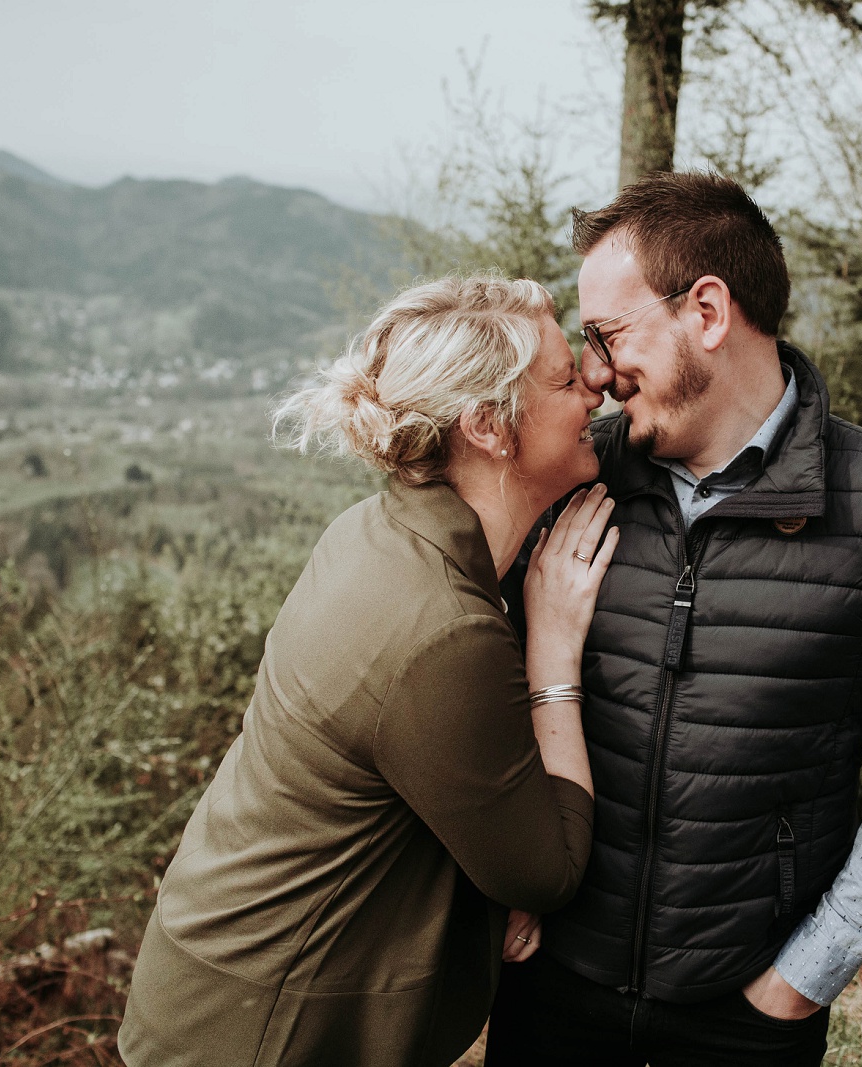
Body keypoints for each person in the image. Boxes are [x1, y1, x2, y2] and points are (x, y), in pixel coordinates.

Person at [485, 173, 862, 1066]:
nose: (594, 371)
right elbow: (470, 678)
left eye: (607, 334)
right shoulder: (569, 480)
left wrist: (797, 982)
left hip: (746, 1022)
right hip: (548, 985)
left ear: (706, 311)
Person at [118, 275, 617, 1067]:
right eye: (563, 376)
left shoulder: (375, 531)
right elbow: (547, 866)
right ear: (489, 425)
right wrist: (553, 646)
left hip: (211, 984)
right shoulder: (438, 625)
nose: (596, 381)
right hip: (259, 1031)